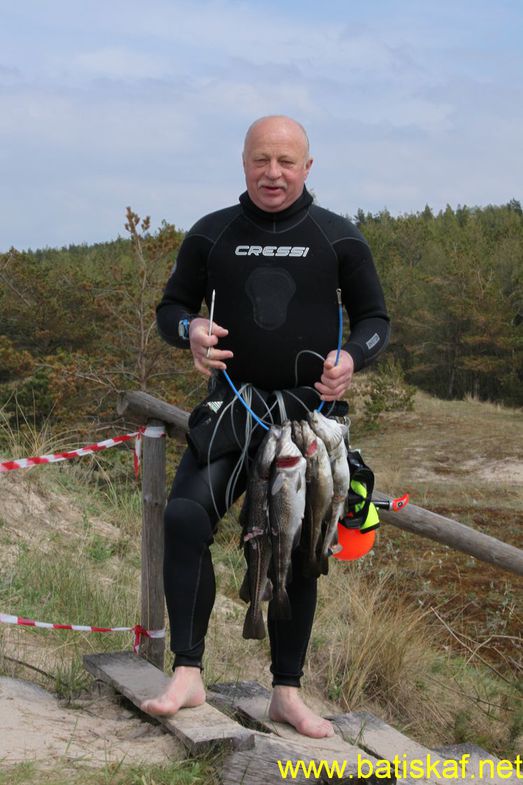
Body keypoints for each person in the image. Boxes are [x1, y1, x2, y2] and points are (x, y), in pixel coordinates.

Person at [142, 116, 390, 738]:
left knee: (298, 548)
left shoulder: (338, 237)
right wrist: (191, 330)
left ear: (307, 166)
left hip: (307, 419)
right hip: (233, 407)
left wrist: (352, 358)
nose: (272, 173)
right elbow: (171, 309)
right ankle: (188, 672)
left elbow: (375, 320)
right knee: (184, 518)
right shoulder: (212, 233)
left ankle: (286, 691)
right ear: (244, 162)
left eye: (285, 161)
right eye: (261, 160)